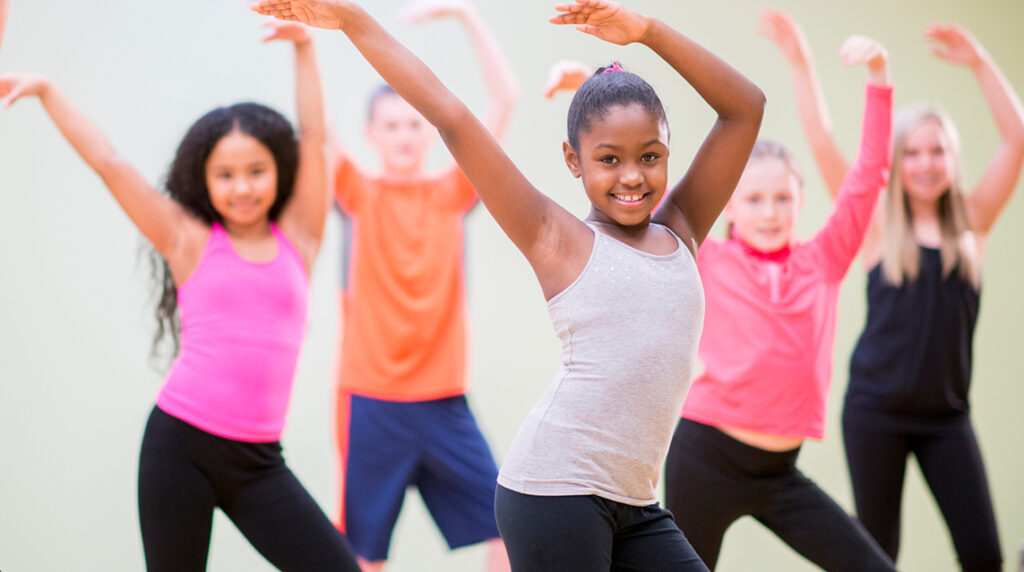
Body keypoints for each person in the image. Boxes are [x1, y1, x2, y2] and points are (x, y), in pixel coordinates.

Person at [252, 1, 765, 570]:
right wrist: (353, 21)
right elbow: (450, 115)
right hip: (554, 492)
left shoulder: (683, 228)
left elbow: (745, 108)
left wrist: (646, 32)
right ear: (574, 161)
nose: (631, 176)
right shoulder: (553, 236)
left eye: (650, 156)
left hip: (637, 505)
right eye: (608, 159)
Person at [0, 21, 360, 572]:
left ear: (278, 171)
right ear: (204, 179)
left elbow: (315, 137)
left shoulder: (300, 237)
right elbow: (109, 162)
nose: (242, 187)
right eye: (226, 175)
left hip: (261, 463)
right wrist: (49, 91)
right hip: (180, 448)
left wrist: (306, 47)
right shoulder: (187, 241)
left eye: (256, 171)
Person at [761, 10, 1024, 570]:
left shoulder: (972, 223)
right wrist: (802, 62)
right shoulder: (877, 224)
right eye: (912, 151)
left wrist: (979, 63)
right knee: (877, 556)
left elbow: (1018, 137)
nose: (926, 163)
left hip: (947, 418)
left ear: (952, 159)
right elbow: (823, 141)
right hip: (874, 412)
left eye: (937, 151)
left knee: (984, 555)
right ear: (896, 161)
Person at [661, 32, 895, 571]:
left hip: (781, 471)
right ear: (732, 209)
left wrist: (879, 78)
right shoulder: (708, 258)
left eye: (783, 198)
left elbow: (867, 178)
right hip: (704, 457)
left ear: (801, 202)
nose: (770, 212)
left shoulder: (824, 259)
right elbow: (637, 190)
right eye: (755, 199)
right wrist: (592, 80)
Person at [326, 1, 517, 569]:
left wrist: (468, 18)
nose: (404, 136)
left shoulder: (452, 193)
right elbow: (314, 130)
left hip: (443, 401)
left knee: (511, 528)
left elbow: (504, 99)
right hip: (372, 403)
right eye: (392, 126)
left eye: (415, 124)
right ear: (371, 135)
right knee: (363, 554)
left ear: (430, 135)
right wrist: (305, 43)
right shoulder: (356, 192)